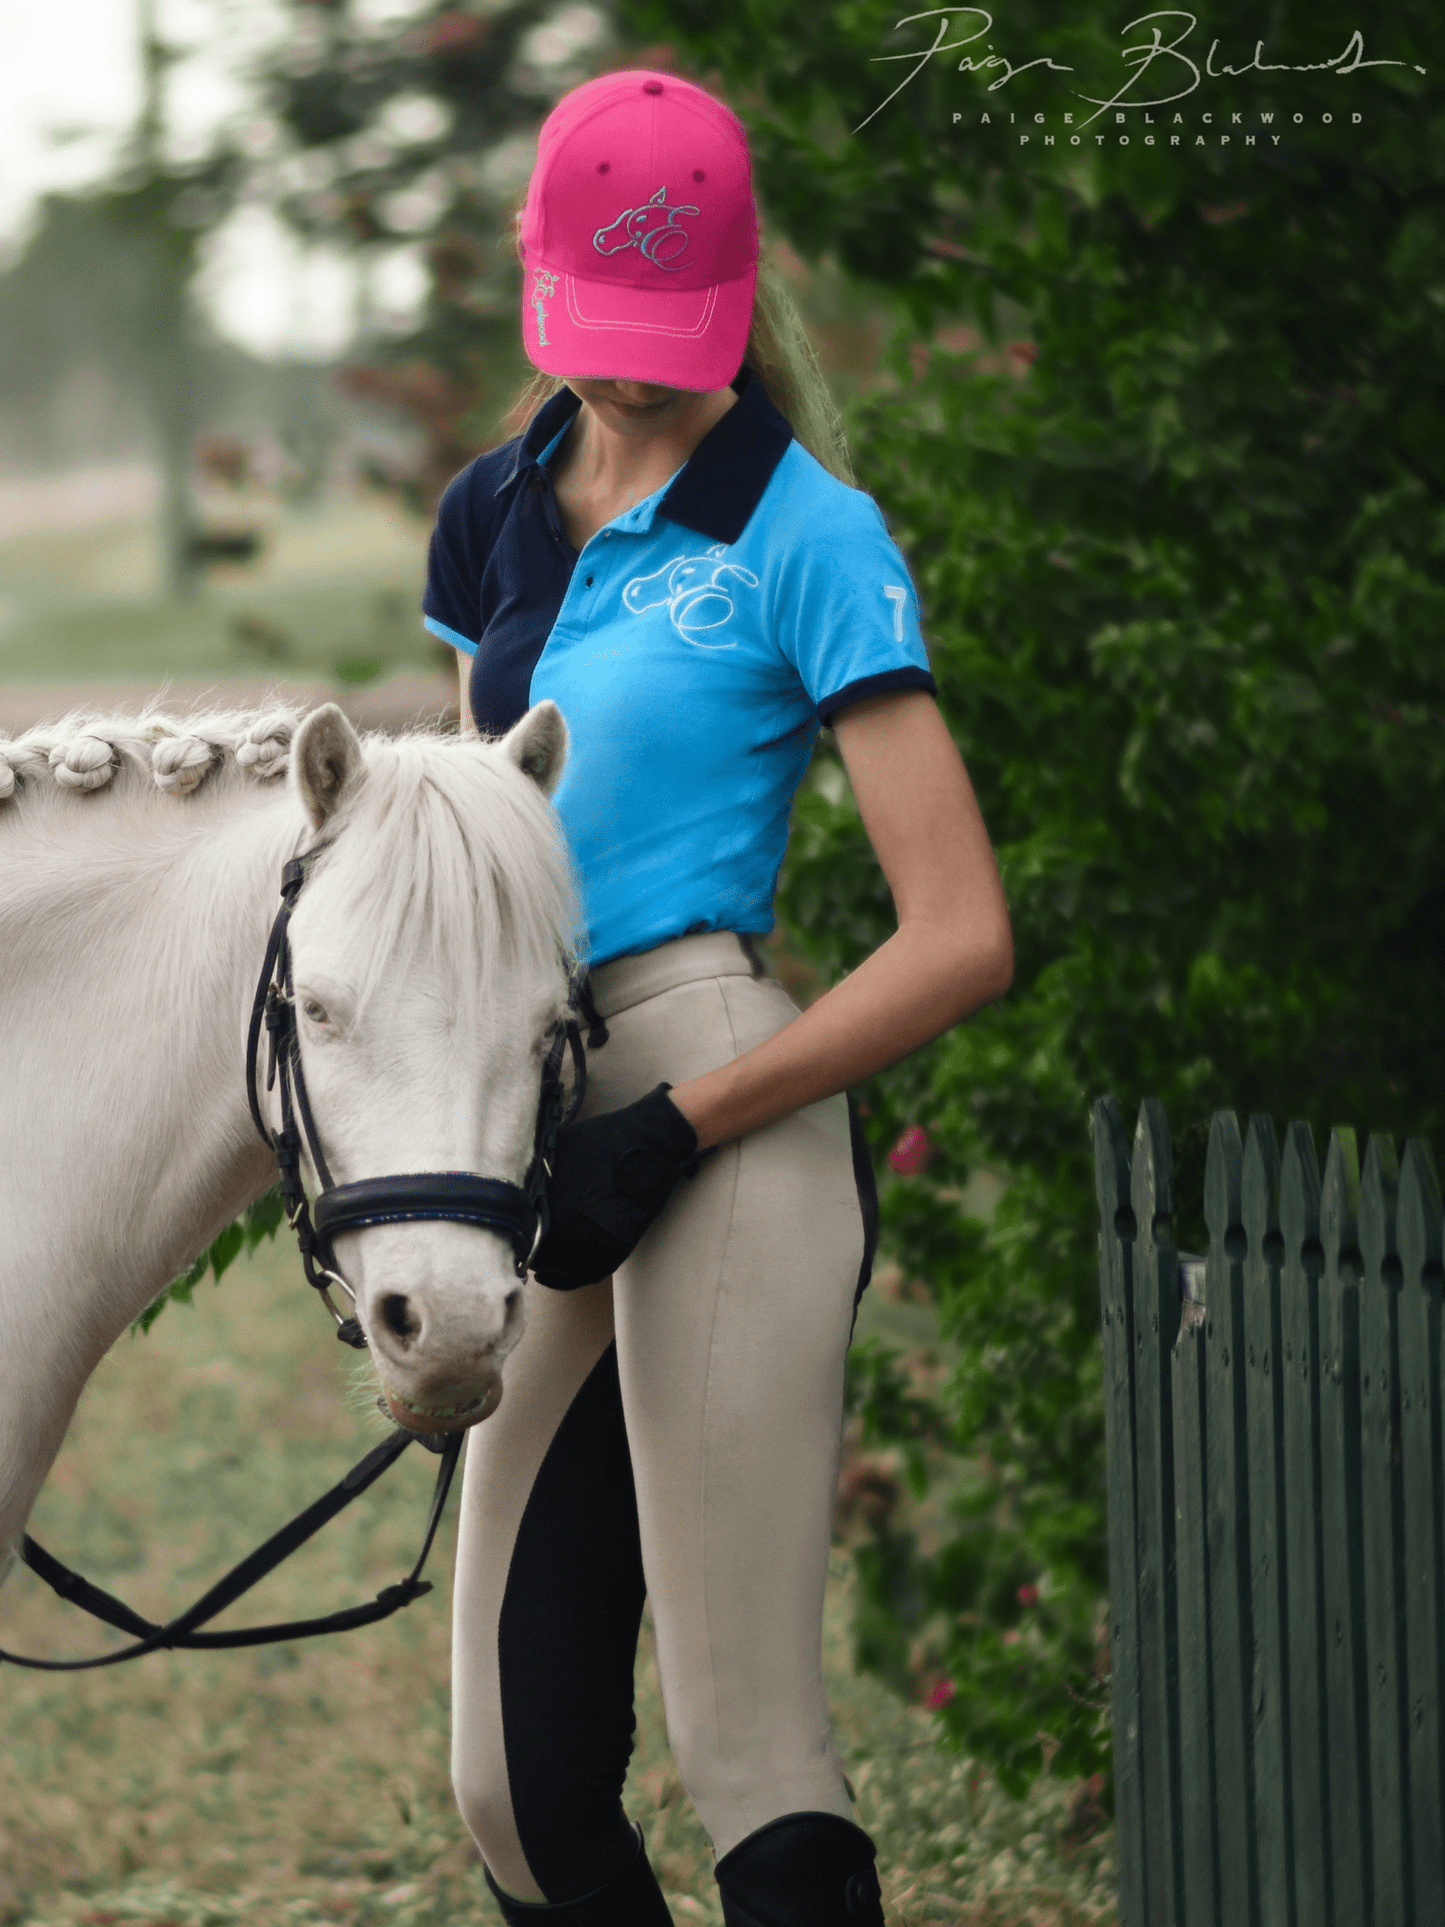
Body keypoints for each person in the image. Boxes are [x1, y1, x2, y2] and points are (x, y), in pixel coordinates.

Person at [420, 69, 1013, 1927]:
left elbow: (960, 931)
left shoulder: (806, 529)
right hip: (545, 1100)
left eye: (665, 341)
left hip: (723, 1093)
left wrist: (673, 1124)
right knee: (506, 1783)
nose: (630, 379)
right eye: (596, 337)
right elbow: (474, 840)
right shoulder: (488, 514)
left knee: (743, 1741)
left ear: (740, 294)